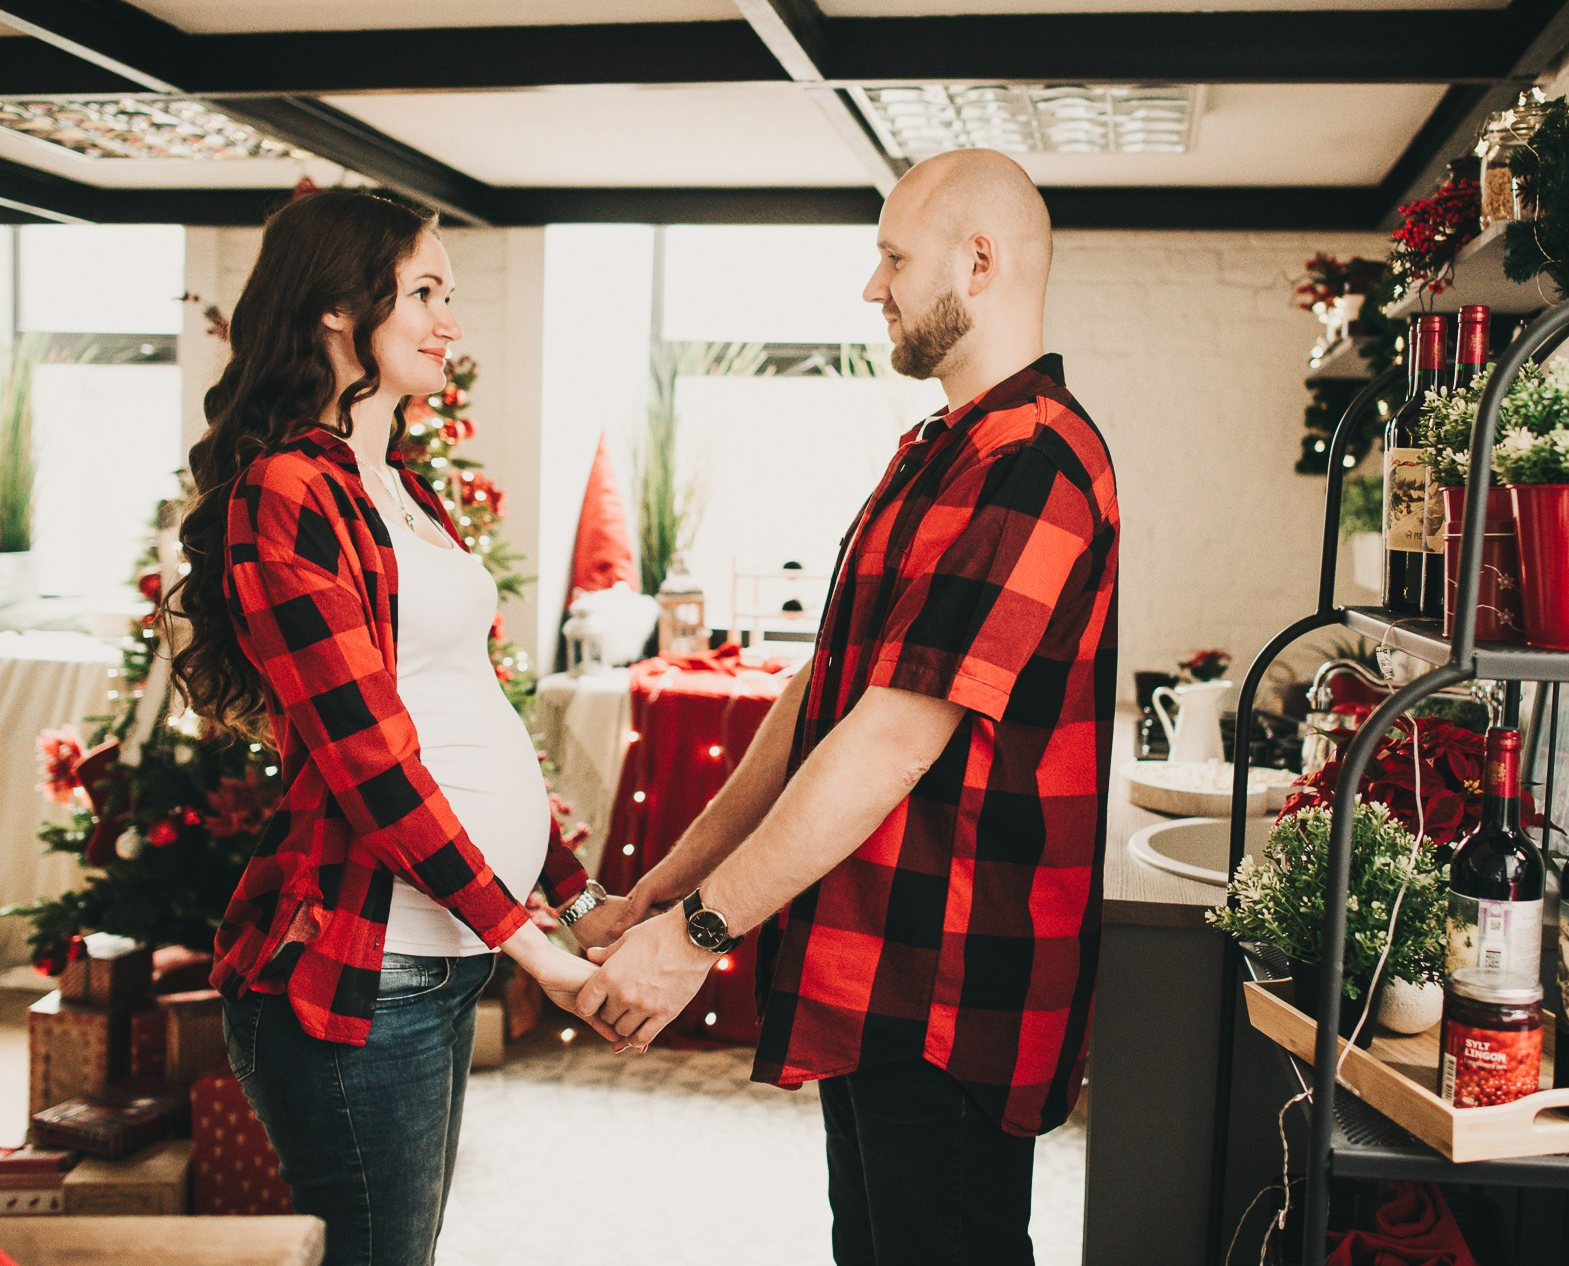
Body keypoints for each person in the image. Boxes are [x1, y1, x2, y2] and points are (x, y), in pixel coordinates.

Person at [585, 149, 1120, 1265]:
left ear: (975, 263)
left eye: (890, 257)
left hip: (953, 981)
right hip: (876, 966)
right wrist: (657, 892)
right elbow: (820, 704)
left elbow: (889, 744)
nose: (869, 287)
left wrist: (695, 941)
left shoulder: (1035, 461)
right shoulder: (934, 453)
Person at [168, 188, 625, 1266]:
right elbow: (366, 758)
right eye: (422, 292)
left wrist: (571, 892)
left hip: (443, 950)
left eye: (449, 295)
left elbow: (470, 705)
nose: (448, 322)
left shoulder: (402, 487)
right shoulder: (285, 492)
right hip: (362, 966)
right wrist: (535, 949)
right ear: (336, 304)